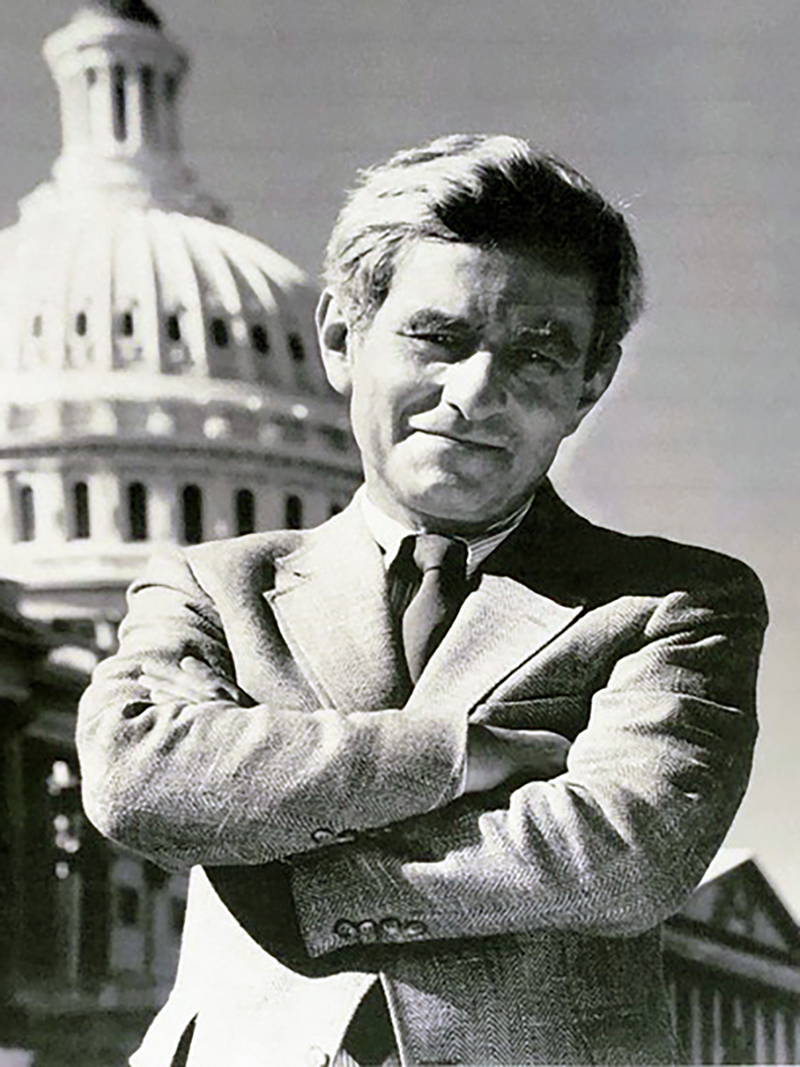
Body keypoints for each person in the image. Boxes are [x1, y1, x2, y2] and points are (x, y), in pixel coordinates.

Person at [77, 134, 768, 1067]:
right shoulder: (209, 584)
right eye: (438, 336)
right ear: (339, 339)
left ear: (591, 382)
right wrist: (457, 756)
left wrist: (285, 866)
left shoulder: (676, 601)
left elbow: (623, 854)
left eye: (538, 352)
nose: (476, 393)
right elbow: (139, 782)